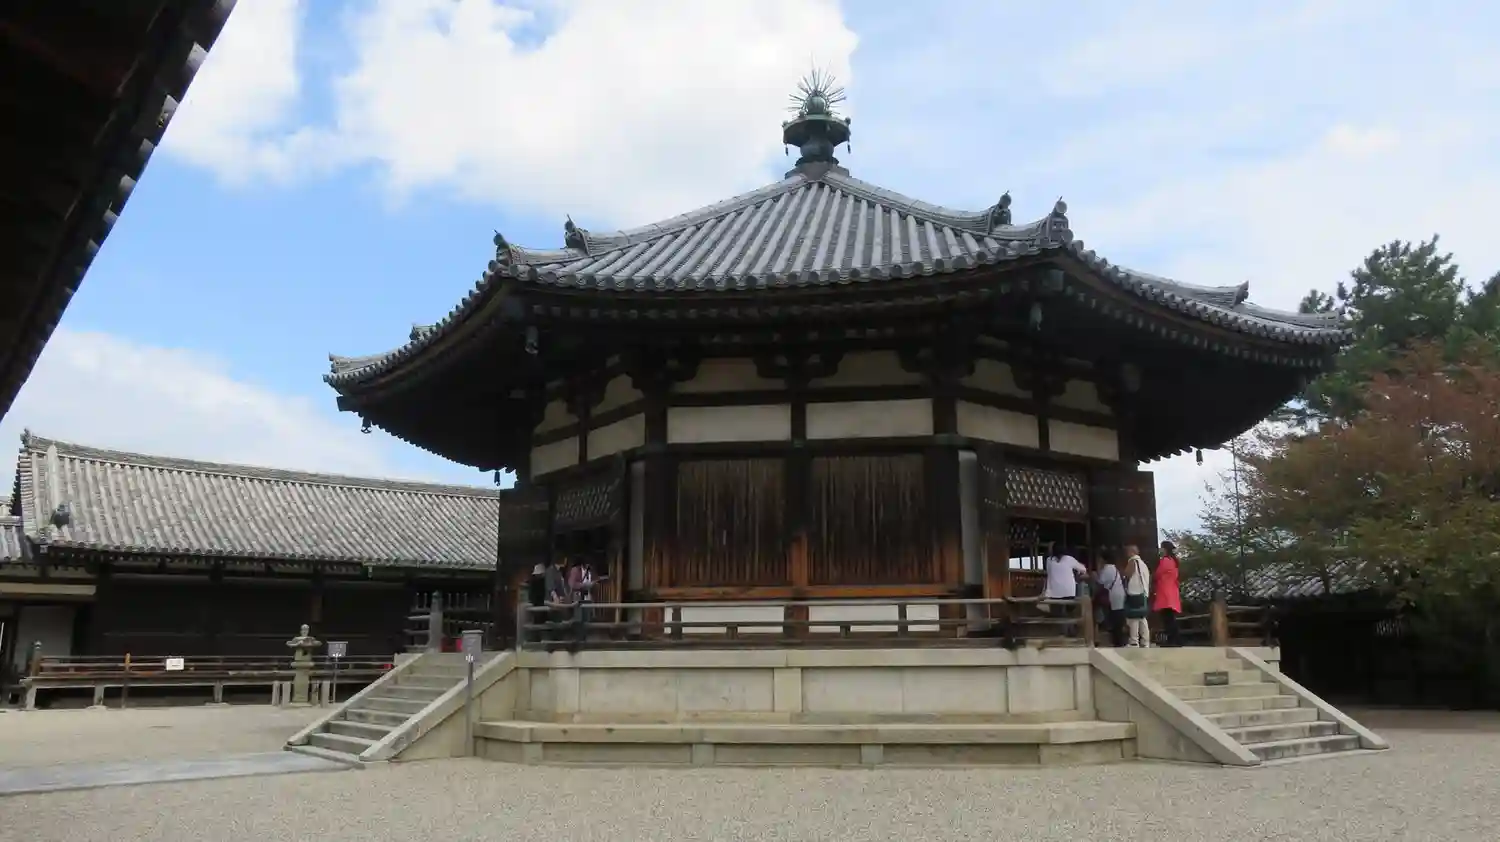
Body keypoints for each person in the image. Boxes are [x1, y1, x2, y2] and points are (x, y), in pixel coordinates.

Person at [1153, 540, 1184, 647]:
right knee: (1170, 617)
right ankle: (1176, 640)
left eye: (1161, 547)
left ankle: (1172, 640)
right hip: (1172, 592)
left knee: (1167, 618)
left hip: (1165, 592)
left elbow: (1157, 574)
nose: (1160, 549)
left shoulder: (1165, 561)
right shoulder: (1173, 561)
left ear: (1165, 549)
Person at [1095, 550, 1127, 647]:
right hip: (1119, 593)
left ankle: (1118, 640)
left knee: (1115, 618)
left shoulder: (1107, 569)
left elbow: (1100, 581)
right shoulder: (1114, 567)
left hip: (1114, 595)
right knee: (1118, 616)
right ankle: (1119, 640)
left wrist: (1097, 570)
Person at [1123, 545, 1151, 648]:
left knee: (1133, 618)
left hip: (1135, 593)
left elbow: (1127, 574)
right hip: (1143, 593)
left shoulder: (1132, 561)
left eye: (1128, 552)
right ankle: (1145, 641)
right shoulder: (1143, 564)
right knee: (1142, 618)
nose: (1126, 554)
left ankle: (1134, 641)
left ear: (1132, 552)